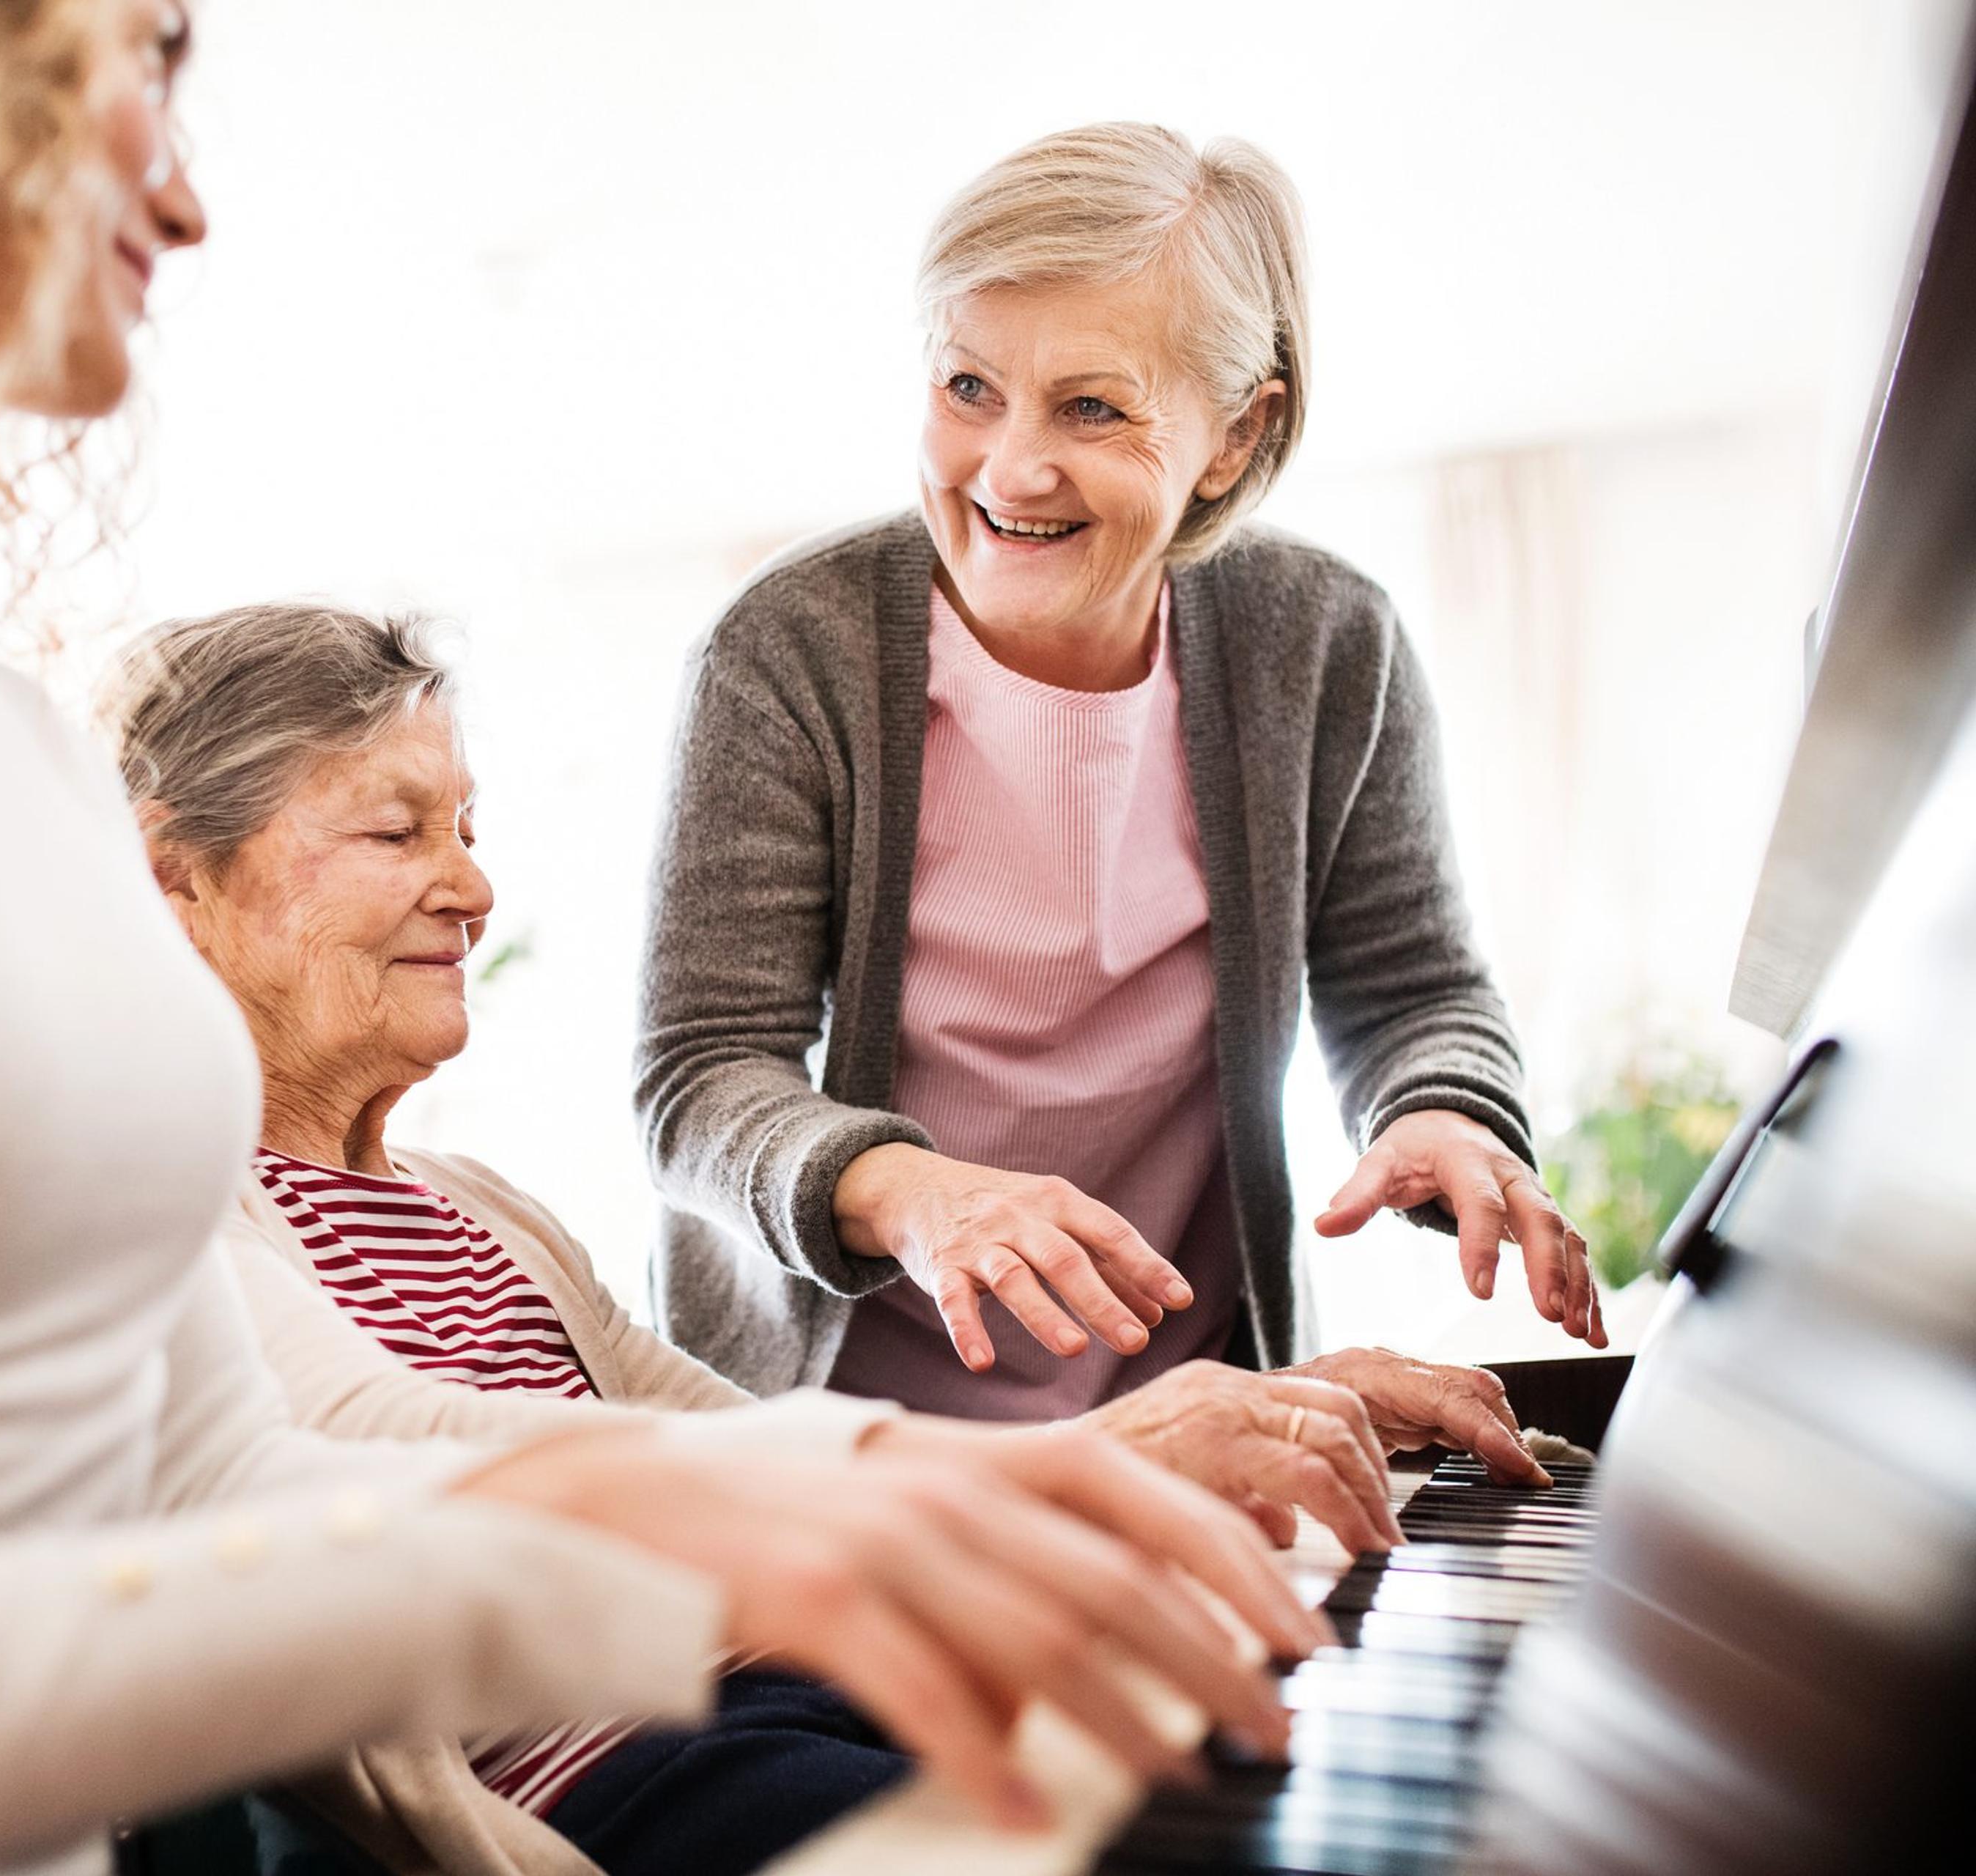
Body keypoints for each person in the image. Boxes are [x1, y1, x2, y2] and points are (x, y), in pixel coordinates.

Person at [0, 13, 1303, 1875]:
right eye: (144, 61)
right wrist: (706, 1540)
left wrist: (843, 1483)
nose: (186, 201)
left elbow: (212, 1469)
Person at [107, 599, 1546, 1876]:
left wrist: (1225, 1423)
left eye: (468, 828)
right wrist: (1100, 1459)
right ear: (179, 878)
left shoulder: (482, 1208)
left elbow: (770, 1455)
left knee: (1280, 1761)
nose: (474, 888)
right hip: (638, 1777)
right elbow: (381, 1453)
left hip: (795, 1687)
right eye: (394, 828)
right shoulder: (157, 1204)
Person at [636, 122, 1606, 1435]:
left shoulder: (1323, 642)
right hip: (851, 1437)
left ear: (1233, 433)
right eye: (967, 387)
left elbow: (1415, 988)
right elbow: (701, 1077)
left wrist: (1443, 1107)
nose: (1010, 466)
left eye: (1092, 407)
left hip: (1192, 1405)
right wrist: (918, 1194)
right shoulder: (786, 653)